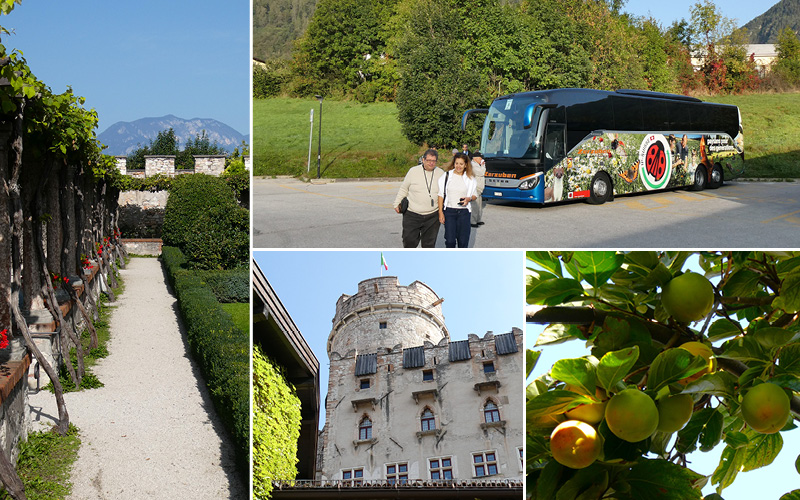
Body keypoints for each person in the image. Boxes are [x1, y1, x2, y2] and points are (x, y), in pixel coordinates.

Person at [393, 149, 444, 248]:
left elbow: (445, 192)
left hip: (432, 215)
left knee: (429, 244)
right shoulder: (413, 171)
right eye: (429, 160)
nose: (431, 163)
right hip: (412, 213)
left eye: (434, 161)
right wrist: (397, 203)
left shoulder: (441, 173)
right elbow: (404, 188)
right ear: (423, 160)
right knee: (409, 242)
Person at [437, 153, 477, 248]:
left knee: (463, 242)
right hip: (449, 212)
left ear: (466, 165)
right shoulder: (446, 176)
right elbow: (440, 195)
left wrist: (469, 198)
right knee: (450, 241)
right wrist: (440, 213)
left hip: (464, 213)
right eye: (456, 163)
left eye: (461, 164)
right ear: (454, 163)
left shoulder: (470, 179)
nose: (458, 166)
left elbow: (475, 195)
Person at [470, 152, 486, 227]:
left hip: (479, 188)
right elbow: (481, 172)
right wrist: (483, 165)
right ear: (476, 158)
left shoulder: (477, 165)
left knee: (479, 205)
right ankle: (473, 221)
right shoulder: (473, 165)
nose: (481, 160)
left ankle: (478, 219)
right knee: (474, 205)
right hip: (475, 188)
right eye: (480, 158)